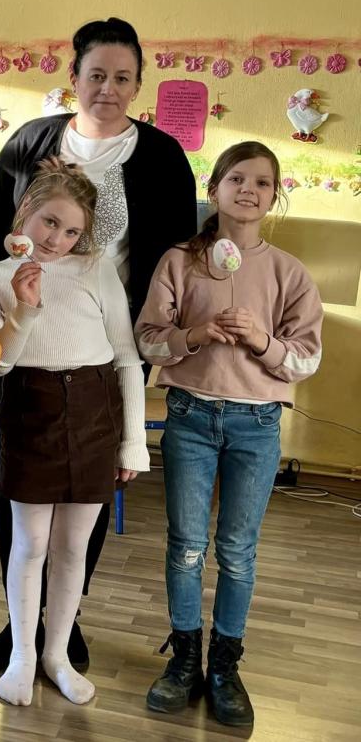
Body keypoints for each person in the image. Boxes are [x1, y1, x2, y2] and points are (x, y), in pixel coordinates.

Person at [0, 16, 196, 674]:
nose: (108, 88)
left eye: (123, 78)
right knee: (22, 491)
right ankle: (19, 629)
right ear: (73, 76)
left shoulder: (160, 157)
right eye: (96, 75)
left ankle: (62, 628)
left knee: (83, 497)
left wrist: (149, 341)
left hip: (107, 343)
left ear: (138, 85)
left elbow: (175, 256)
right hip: (26, 339)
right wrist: (5, 312)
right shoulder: (30, 143)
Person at [136, 142, 322, 728]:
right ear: (213, 189)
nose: (248, 190)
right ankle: (184, 658)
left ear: (274, 196)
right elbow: (147, 339)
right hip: (191, 417)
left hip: (257, 424)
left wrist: (263, 341)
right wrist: (194, 334)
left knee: (238, 551)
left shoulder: (289, 272)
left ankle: (225, 663)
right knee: (186, 545)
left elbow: (306, 358)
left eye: (262, 182)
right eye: (237, 178)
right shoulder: (178, 262)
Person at [0, 158, 148, 707]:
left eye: (71, 231)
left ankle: (57, 654)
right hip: (31, 407)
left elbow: (126, 357)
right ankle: (22, 655)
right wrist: (24, 308)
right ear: (26, 210)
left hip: (95, 411)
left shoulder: (96, 269)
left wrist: (133, 441)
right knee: (30, 545)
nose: (57, 239)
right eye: (50, 221)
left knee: (73, 546)